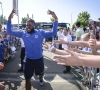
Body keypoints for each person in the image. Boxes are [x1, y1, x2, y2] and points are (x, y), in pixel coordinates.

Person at [7, 9, 58, 90]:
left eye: (30, 25)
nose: (28, 27)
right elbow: (9, 31)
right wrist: (9, 18)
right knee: (27, 80)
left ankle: (41, 78)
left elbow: (53, 32)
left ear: (34, 25)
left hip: (39, 59)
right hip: (28, 60)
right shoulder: (23, 33)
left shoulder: (40, 33)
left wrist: (55, 19)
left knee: (40, 74)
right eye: (27, 25)